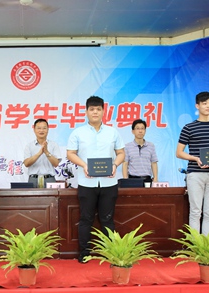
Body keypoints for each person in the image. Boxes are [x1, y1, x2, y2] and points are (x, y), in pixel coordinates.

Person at [66, 96, 125, 263]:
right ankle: (84, 252)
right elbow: (70, 153)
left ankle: (111, 253)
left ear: (103, 111)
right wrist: (84, 165)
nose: (95, 112)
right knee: (86, 219)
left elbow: (121, 153)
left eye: (98, 109)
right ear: (86, 112)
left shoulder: (112, 132)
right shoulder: (78, 132)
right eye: (91, 109)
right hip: (86, 183)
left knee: (107, 219)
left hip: (109, 183)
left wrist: (115, 165)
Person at [176, 91, 209, 235]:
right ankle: (196, 245)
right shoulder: (188, 128)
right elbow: (179, 152)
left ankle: (207, 245)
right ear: (197, 106)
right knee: (195, 211)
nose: (208, 106)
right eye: (204, 103)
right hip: (195, 174)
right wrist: (196, 159)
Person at [23, 118, 61, 188]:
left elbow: (56, 164)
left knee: (52, 196)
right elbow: (26, 164)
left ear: (48, 129)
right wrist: (39, 153)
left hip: (49, 179)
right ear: (34, 130)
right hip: (33, 179)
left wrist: (46, 152)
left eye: (44, 128)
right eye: (39, 128)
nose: (41, 130)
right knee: (32, 196)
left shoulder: (53, 145)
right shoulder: (29, 146)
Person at [122, 118, 158, 183]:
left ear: (145, 131)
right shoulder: (127, 147)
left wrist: (155, 178)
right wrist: (125, 180)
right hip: (132, 179)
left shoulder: (151, 146)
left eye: (142, 128)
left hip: (147, 180)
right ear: (133, 131)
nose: (140, 131)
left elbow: (154, 163)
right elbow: (125, 164)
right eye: (137, 128)